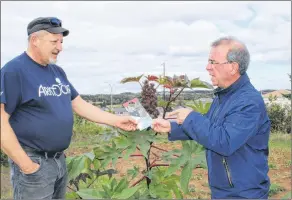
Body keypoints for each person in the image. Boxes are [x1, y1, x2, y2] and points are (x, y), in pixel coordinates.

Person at [0, 17, 137, 199]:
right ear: (35, 40)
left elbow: (79, 104)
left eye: (61, 42)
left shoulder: (57, 72)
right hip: (34, 163)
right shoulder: (14, 71)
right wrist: (26, 165)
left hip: (59, 161)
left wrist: (117, 120)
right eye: (54, 41)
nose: (60, 47)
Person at [152, 36, 271, 199]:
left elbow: (225, 141)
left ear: (233, 67)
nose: (207, 67)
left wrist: (190, 117)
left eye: (213, 62)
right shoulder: (225, 96)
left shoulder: (248, 102)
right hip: (225, 190)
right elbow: (209, 127)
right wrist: (172, 127)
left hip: (243, 193)